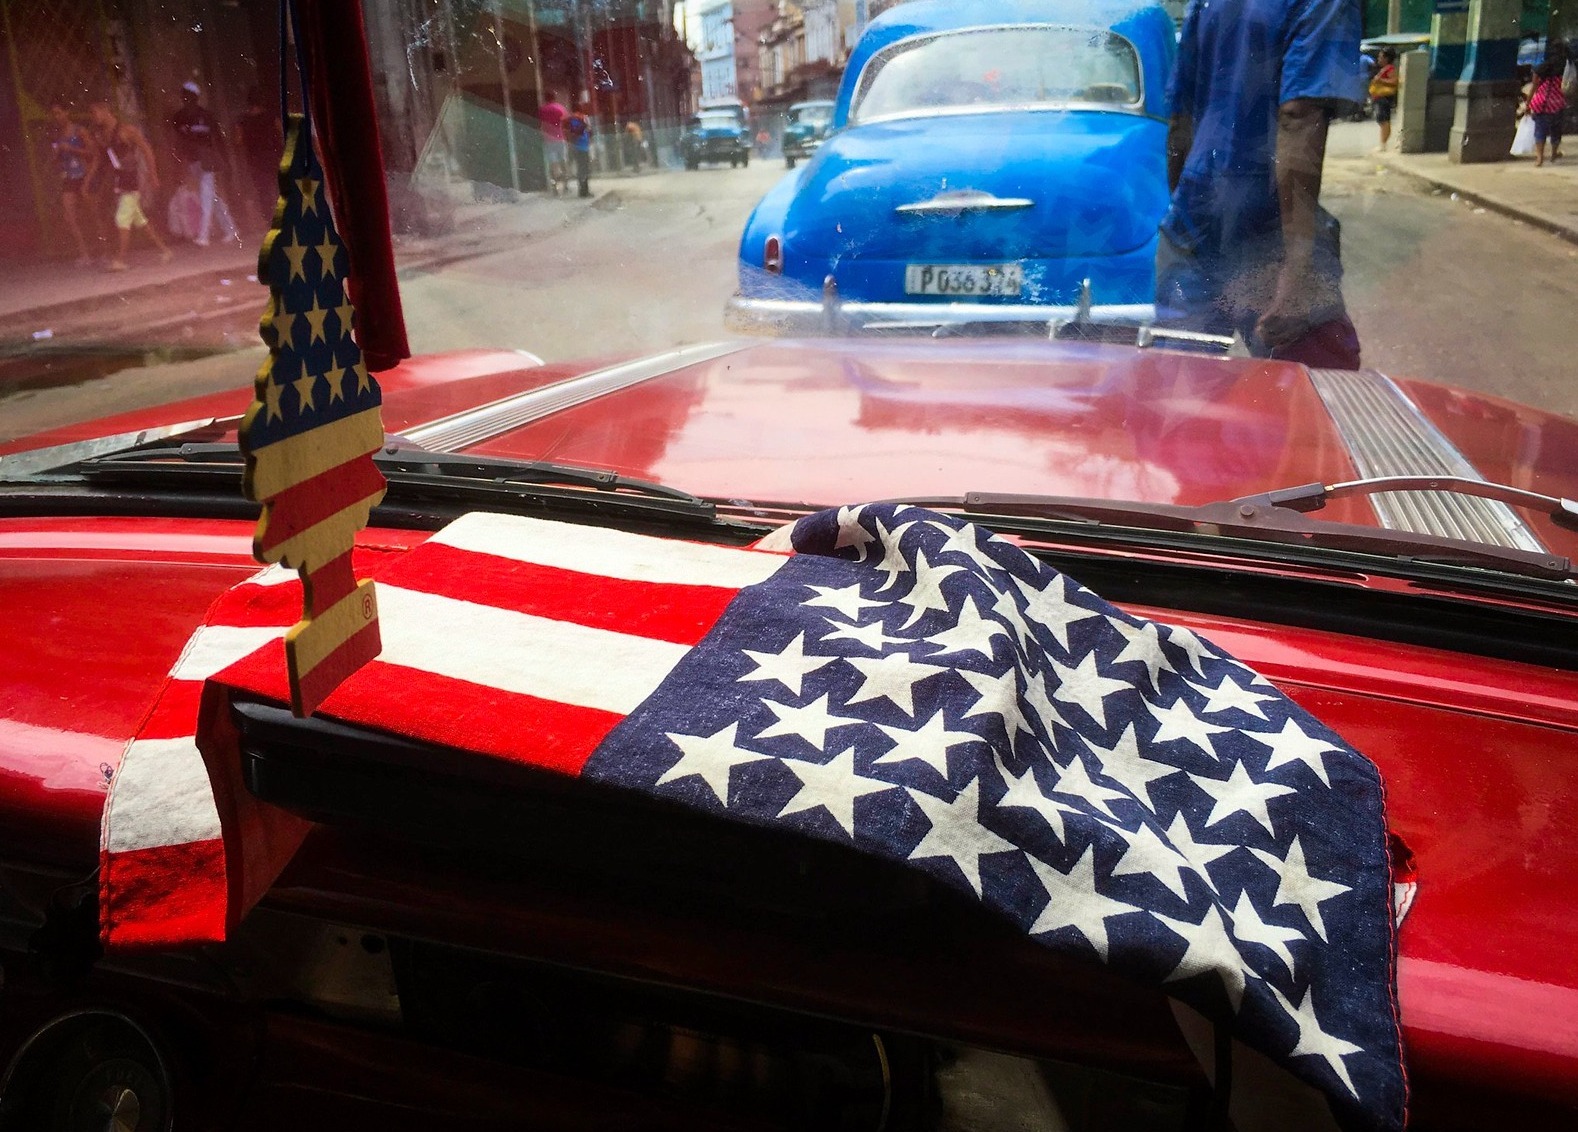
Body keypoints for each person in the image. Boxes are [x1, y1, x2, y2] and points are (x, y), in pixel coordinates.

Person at [1156, 0, 1364, 370]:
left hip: (1193, 217)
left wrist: (1188, 210)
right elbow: (1298, 116)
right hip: (1267, 228)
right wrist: (1300, 268)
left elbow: (1179, 123)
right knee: (1319, 391)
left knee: (1179, 389)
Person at [89, 101, 172, 271]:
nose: (93, 116)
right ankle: (165, 250)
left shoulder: (126, 130)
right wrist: (90, 180)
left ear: (106, 110)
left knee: (122, 218)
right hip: (117, 181)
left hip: (130, 180)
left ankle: (120, 260)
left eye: (95, 112)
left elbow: (146, 149)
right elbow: (100, 159)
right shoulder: (101, 134)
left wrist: (152, 174)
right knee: (140, 220)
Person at [171, 80, 238, 246]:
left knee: (206, 196)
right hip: (194, 160)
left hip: (206, 159)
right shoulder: (179, 117)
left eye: (188, 95)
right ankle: (230, 229)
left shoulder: (206, 115)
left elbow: (218, 138)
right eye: (185, 96)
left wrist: (224, 160)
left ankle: (204, 236)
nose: (186, 99)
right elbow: (179, 141)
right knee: (211, 196)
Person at [48, 103, 97, 265]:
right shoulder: (57, 135)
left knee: (93, 212)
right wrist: (57, 154)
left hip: (84, 174)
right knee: (69, 215)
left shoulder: (79, 131)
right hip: (69, 176)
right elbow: (55, 162)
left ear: (66, 112)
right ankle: (84, 254)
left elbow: (92, 152)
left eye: (58, 113)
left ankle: (104, 249)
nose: (56, 117)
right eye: (53, 115)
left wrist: (71, 149)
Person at [235, 86, 281, 220]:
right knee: (278, 186)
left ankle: (271, 220)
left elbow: (238, 141)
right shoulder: (271, 116)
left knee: (263, 190)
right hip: (273, 156)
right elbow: (282, 133)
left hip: (255, 159)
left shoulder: (242, 120)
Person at [1528, 60, 1568, 167]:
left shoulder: (1539, 71)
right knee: (1556, 131)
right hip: (1557, 104)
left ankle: (1539, 158)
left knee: (1540, 131)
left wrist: (1528, 104)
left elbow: (1533, 88)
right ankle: (1554, 154)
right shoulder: (1563, 71)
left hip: (1541, 104)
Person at [538, 89, 570, 195]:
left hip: (548, 140)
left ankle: (555, 186)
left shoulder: (542, 110)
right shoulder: (560, 108)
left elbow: (541, 123)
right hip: (560, 139)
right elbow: (566, 123)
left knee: (552, 164)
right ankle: (565, 185)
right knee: (563, 162)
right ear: (554, 98)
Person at [1369, 48, 1399, 151]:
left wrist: (1380, 80)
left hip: (1383, 97)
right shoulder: (1385, 68)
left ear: (1386, 58)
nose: (1378, 59)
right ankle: (1383, 143)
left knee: (1383, 121)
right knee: (1382, 121)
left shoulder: (1389, 69)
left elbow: (1394, 81)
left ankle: (1383, 144)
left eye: (1381, 57)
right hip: (1379, 97)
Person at [567, 103, 594, 199]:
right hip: (583, 147)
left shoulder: (572, 120)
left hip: (577, 147)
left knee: (580, 169)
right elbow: (588, 131)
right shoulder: (581, 119)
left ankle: (582, 190)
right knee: (584, 169)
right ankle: (584, 191)